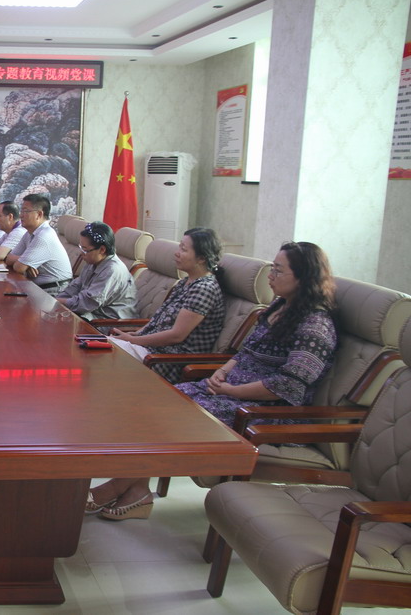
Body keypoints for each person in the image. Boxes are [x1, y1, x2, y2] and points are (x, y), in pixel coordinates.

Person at [87, 241, 337, 522]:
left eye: (278, 270)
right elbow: (245, 352)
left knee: (168, 417)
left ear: (304, 277)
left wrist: (233, 390)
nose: (271, 275)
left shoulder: (315, 326)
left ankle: (116, 488)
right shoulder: (279, 307)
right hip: (228, 390)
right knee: (155, 406)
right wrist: (223, 371)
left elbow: (288, 386)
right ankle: (138, 491)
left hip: (266, 410)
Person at [109, 227, 227, 383]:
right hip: (151, 349)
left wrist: (132, 341)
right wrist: (136, 334)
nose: (177, 253)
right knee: (92, 346)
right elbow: (159, 319)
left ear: (201, 258)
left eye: (183, 249)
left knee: (101, 354)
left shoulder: (204, 289)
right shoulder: (185, 282)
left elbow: (176, 335)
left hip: (166, 360)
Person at [56, 221, 137, 321]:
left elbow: (86, 303)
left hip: (107, 322)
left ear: (102, 250)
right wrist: (54, 300)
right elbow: (75, 287)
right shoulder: (93, 261)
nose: (81, 253)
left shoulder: (112, 270)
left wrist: (57, 302)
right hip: (89, 314)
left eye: (85, 249)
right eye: (80, 247)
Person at [4, 194, 72, 293]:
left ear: (39, 214)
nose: (21, 215)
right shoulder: (29, 233)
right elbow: (9, 259)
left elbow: (18, 267)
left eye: (26, 211)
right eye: (21, 211)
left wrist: (25, 263)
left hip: (54, 290)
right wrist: (26, 262)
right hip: (39, 286)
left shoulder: (44, 235)